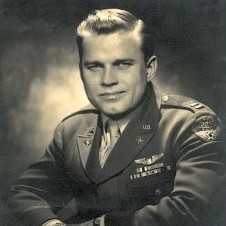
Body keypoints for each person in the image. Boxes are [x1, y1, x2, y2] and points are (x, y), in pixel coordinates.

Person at [8, 8, 225, 226]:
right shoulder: (71, 129)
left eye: (122, 64)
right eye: (94, 66)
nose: (108, 80)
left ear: (149, 69)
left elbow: (191, 210)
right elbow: (23, 194)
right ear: (81, 72)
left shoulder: (189, 124)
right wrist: (50, 224)